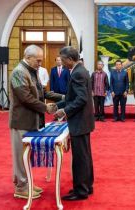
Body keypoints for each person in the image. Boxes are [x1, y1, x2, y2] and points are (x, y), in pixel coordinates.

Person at [9, 44, 56, 199]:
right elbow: (25, 98)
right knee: (20, 157)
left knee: (26, 156)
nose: (40, 64)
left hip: (31, 120)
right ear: (28, 57)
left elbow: (41, 93)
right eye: (38, 60)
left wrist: (60, 97)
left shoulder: (31, 71)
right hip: (21, 121)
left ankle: (27, 183)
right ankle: (21, 187)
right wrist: (45, 108)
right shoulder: (18, 72)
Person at [55, 46, 95, 201]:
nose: (63, 63)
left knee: (80, 158)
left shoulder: (77, 73)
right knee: (85, 156)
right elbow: (73, 97)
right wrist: (59, 106)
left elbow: (81, 99)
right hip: (84, 121)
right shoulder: (81, 70)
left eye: (63, 60)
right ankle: (87, 186)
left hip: (79, 122)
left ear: (70, 59)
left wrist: (65, 111)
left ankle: (81, 191)